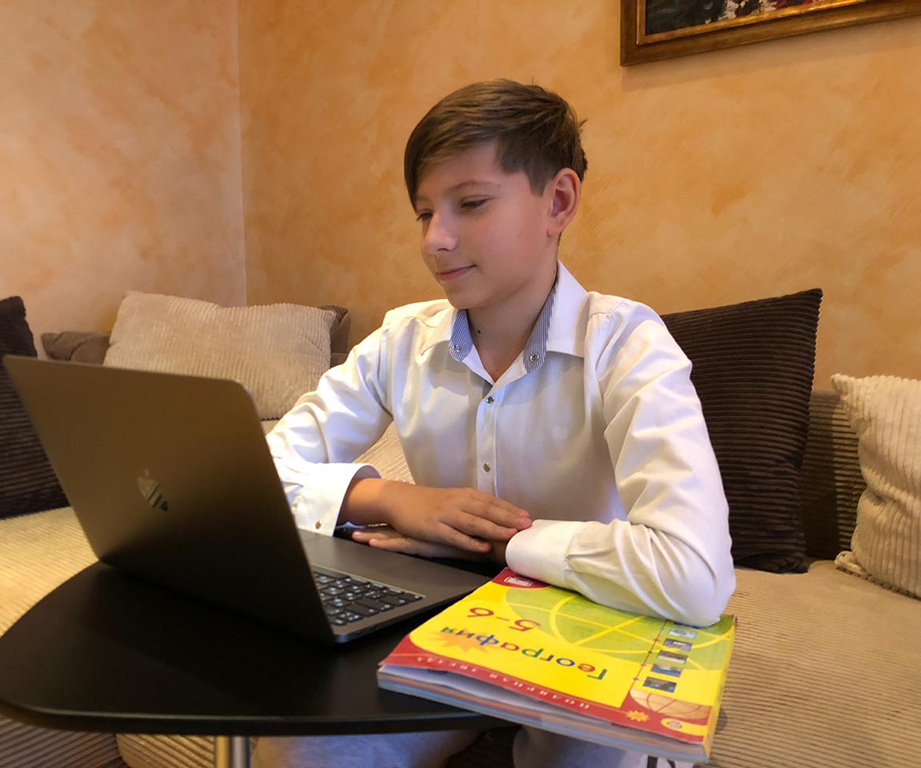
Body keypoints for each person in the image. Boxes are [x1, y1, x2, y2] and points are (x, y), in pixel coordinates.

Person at [258, 79, 735, 768]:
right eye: (425, 213)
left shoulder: (627, 345)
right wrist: (388, 497)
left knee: (585, 759)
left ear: (558, 202)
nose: (435, 240)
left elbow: (694, 573)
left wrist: (501, 545)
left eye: (471, 203)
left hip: (589, 623)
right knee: (301, 753)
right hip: (438, 623)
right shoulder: (401, 341)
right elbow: (258, 474)